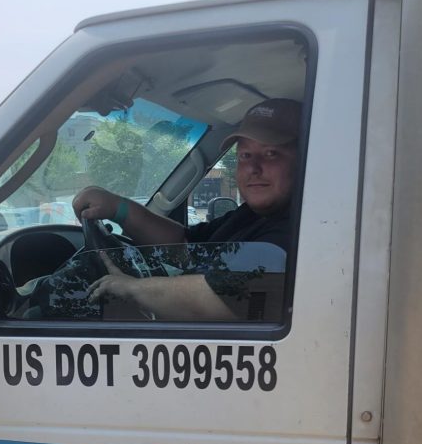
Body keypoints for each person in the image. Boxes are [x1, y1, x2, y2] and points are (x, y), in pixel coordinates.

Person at [73, 97, 300, 321]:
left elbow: (222, 297)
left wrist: (131, 288)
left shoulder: (297, 230)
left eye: (271, 153)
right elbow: (185, 246)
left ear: (304, 160)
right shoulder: (250, 215)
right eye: (245, 155)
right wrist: (118, 209)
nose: (253, 167)